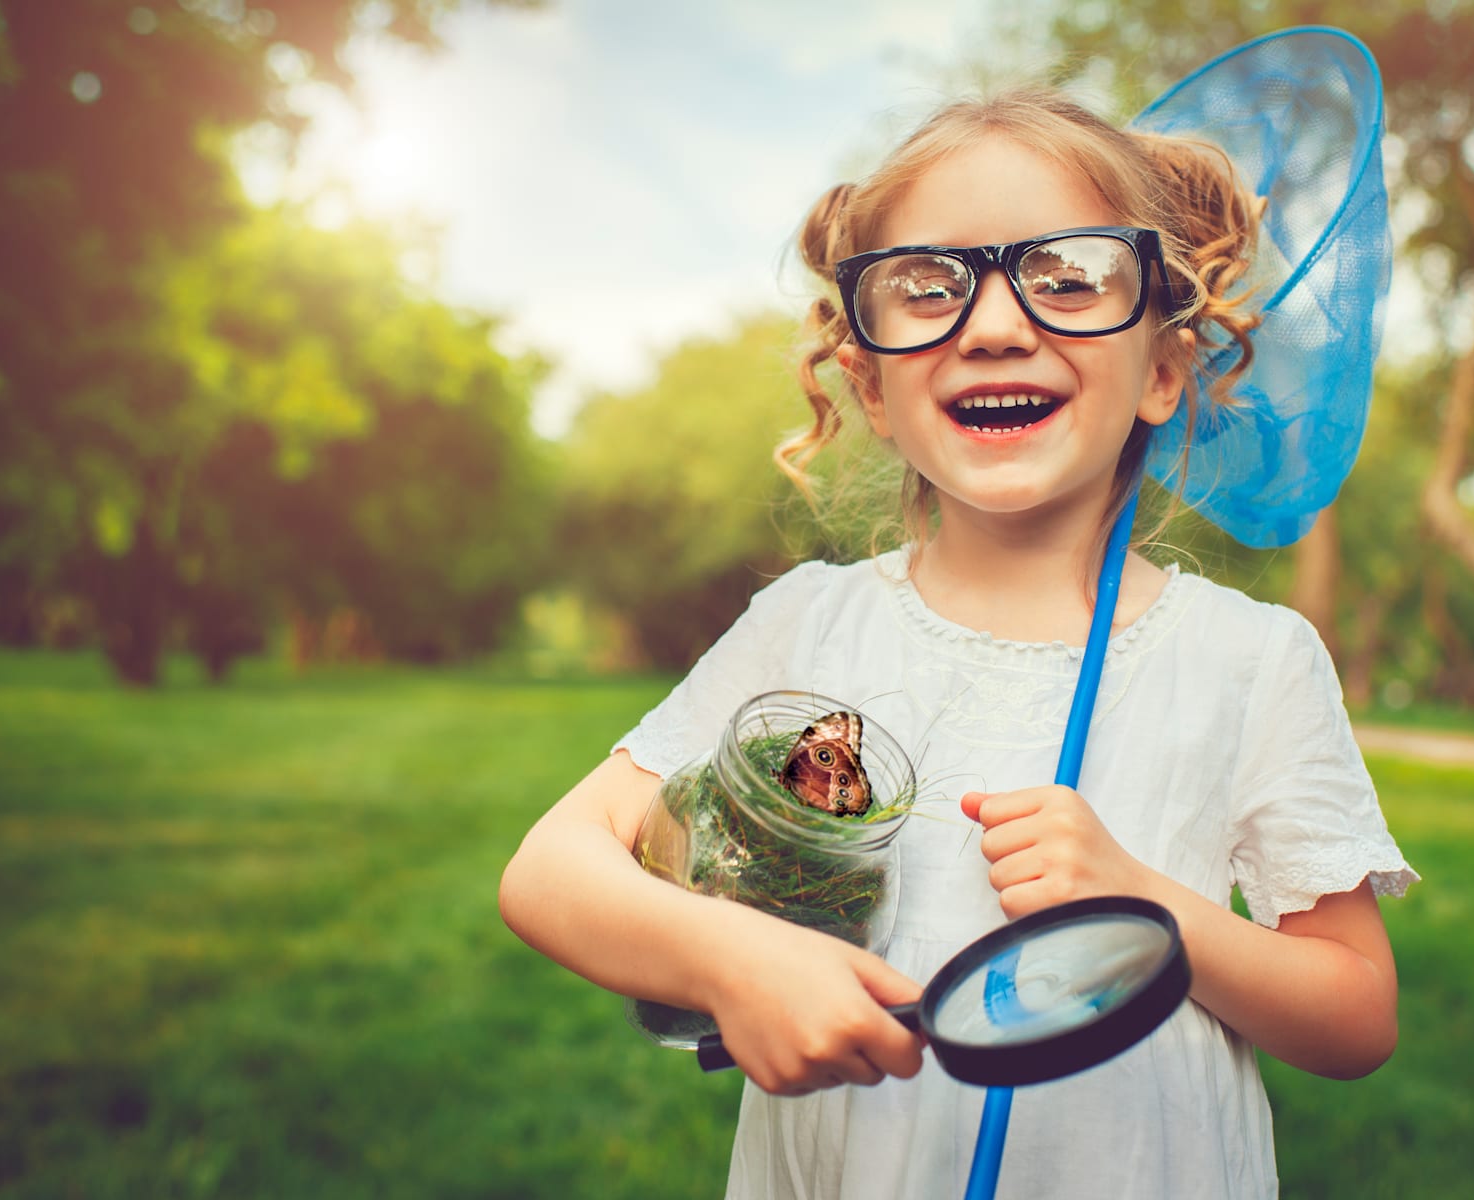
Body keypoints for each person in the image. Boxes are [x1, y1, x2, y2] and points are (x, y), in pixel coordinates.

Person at [501, 83, 1417, 1199]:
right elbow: (551, 871)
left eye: (1069, 278)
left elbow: (1356, 1014)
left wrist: (1146, 904)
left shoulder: (1251, 661)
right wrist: (735, 958)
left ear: (1164, 371)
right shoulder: (809, 623)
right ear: (873, 385)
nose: (991, 326)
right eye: (926, 288)